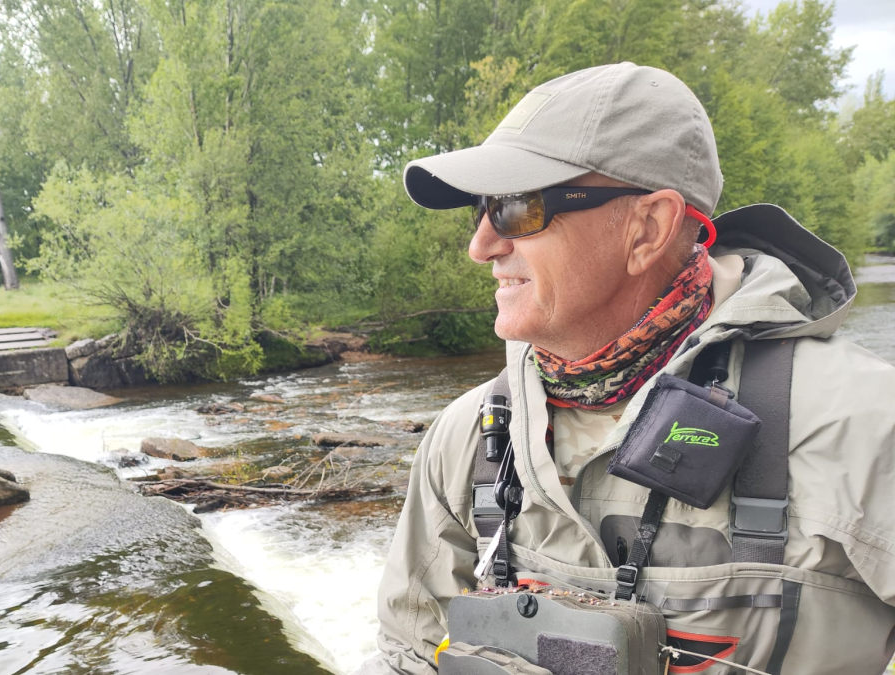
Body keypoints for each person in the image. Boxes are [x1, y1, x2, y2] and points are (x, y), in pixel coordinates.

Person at [356, 62, 895, 675]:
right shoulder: (468, 436)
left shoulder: (863, 425)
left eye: (516, 208)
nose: (481, 245)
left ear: (649, 227)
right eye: (481, 209)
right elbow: (412, 650)